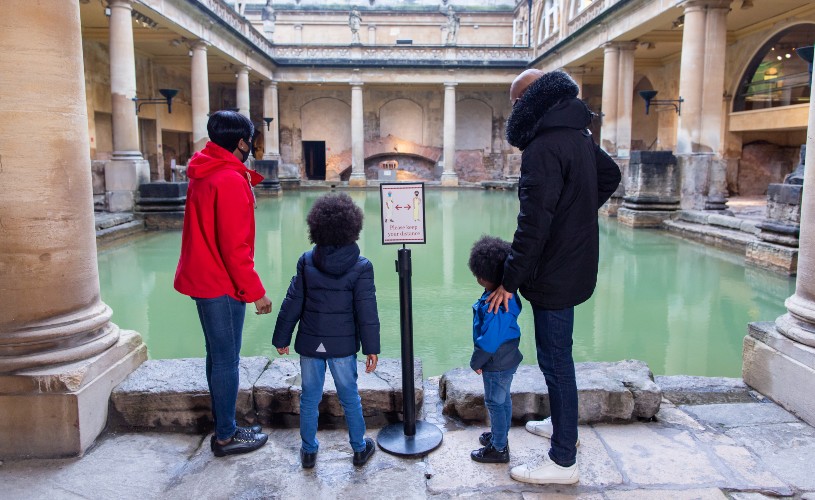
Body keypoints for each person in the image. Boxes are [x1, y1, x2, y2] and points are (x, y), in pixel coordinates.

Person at [487, 69, 621, 484]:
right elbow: (610, 176)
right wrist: (576, 215)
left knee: (556, 362)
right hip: (574, 263)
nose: (513, 109)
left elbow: (533, 224)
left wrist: (509, 280)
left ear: (531, 99)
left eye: (514, 101)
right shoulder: (579, 134)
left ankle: (563, 461)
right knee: (558, 359)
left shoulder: (542, 146)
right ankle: (565, 429)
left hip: (553, 272)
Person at [174, 110, 272, 457]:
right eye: (251, 139)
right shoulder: (229, 179)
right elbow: (235, 247)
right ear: (242, 142)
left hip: (204, 277)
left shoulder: (205, 170)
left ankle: (226, 425)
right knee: (227, 360)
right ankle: (226, 437)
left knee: (216, 357)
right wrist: (257, 292)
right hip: (221, 282)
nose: (253, 145)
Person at [273, 192, 380, 469]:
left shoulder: (307, 261)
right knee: (349, 397)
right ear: (352, 228)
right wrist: (372, 348)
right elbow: (366, 312)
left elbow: (292, 301)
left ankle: (308, 451)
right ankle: (359, 448)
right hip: (343, 347)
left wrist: (281, 338)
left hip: (310, 342)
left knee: (309, 397)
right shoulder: (361, 266)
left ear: (316, 227)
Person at [467, 236, 523, 465]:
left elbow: (489, 341)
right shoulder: (502, 294)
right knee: (502, 400)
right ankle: (500, 435)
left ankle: (499, 448)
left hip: (497, 360)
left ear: (483, 276)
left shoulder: (496, 303)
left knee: (495, 402)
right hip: (505, 357)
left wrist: (476, 361)